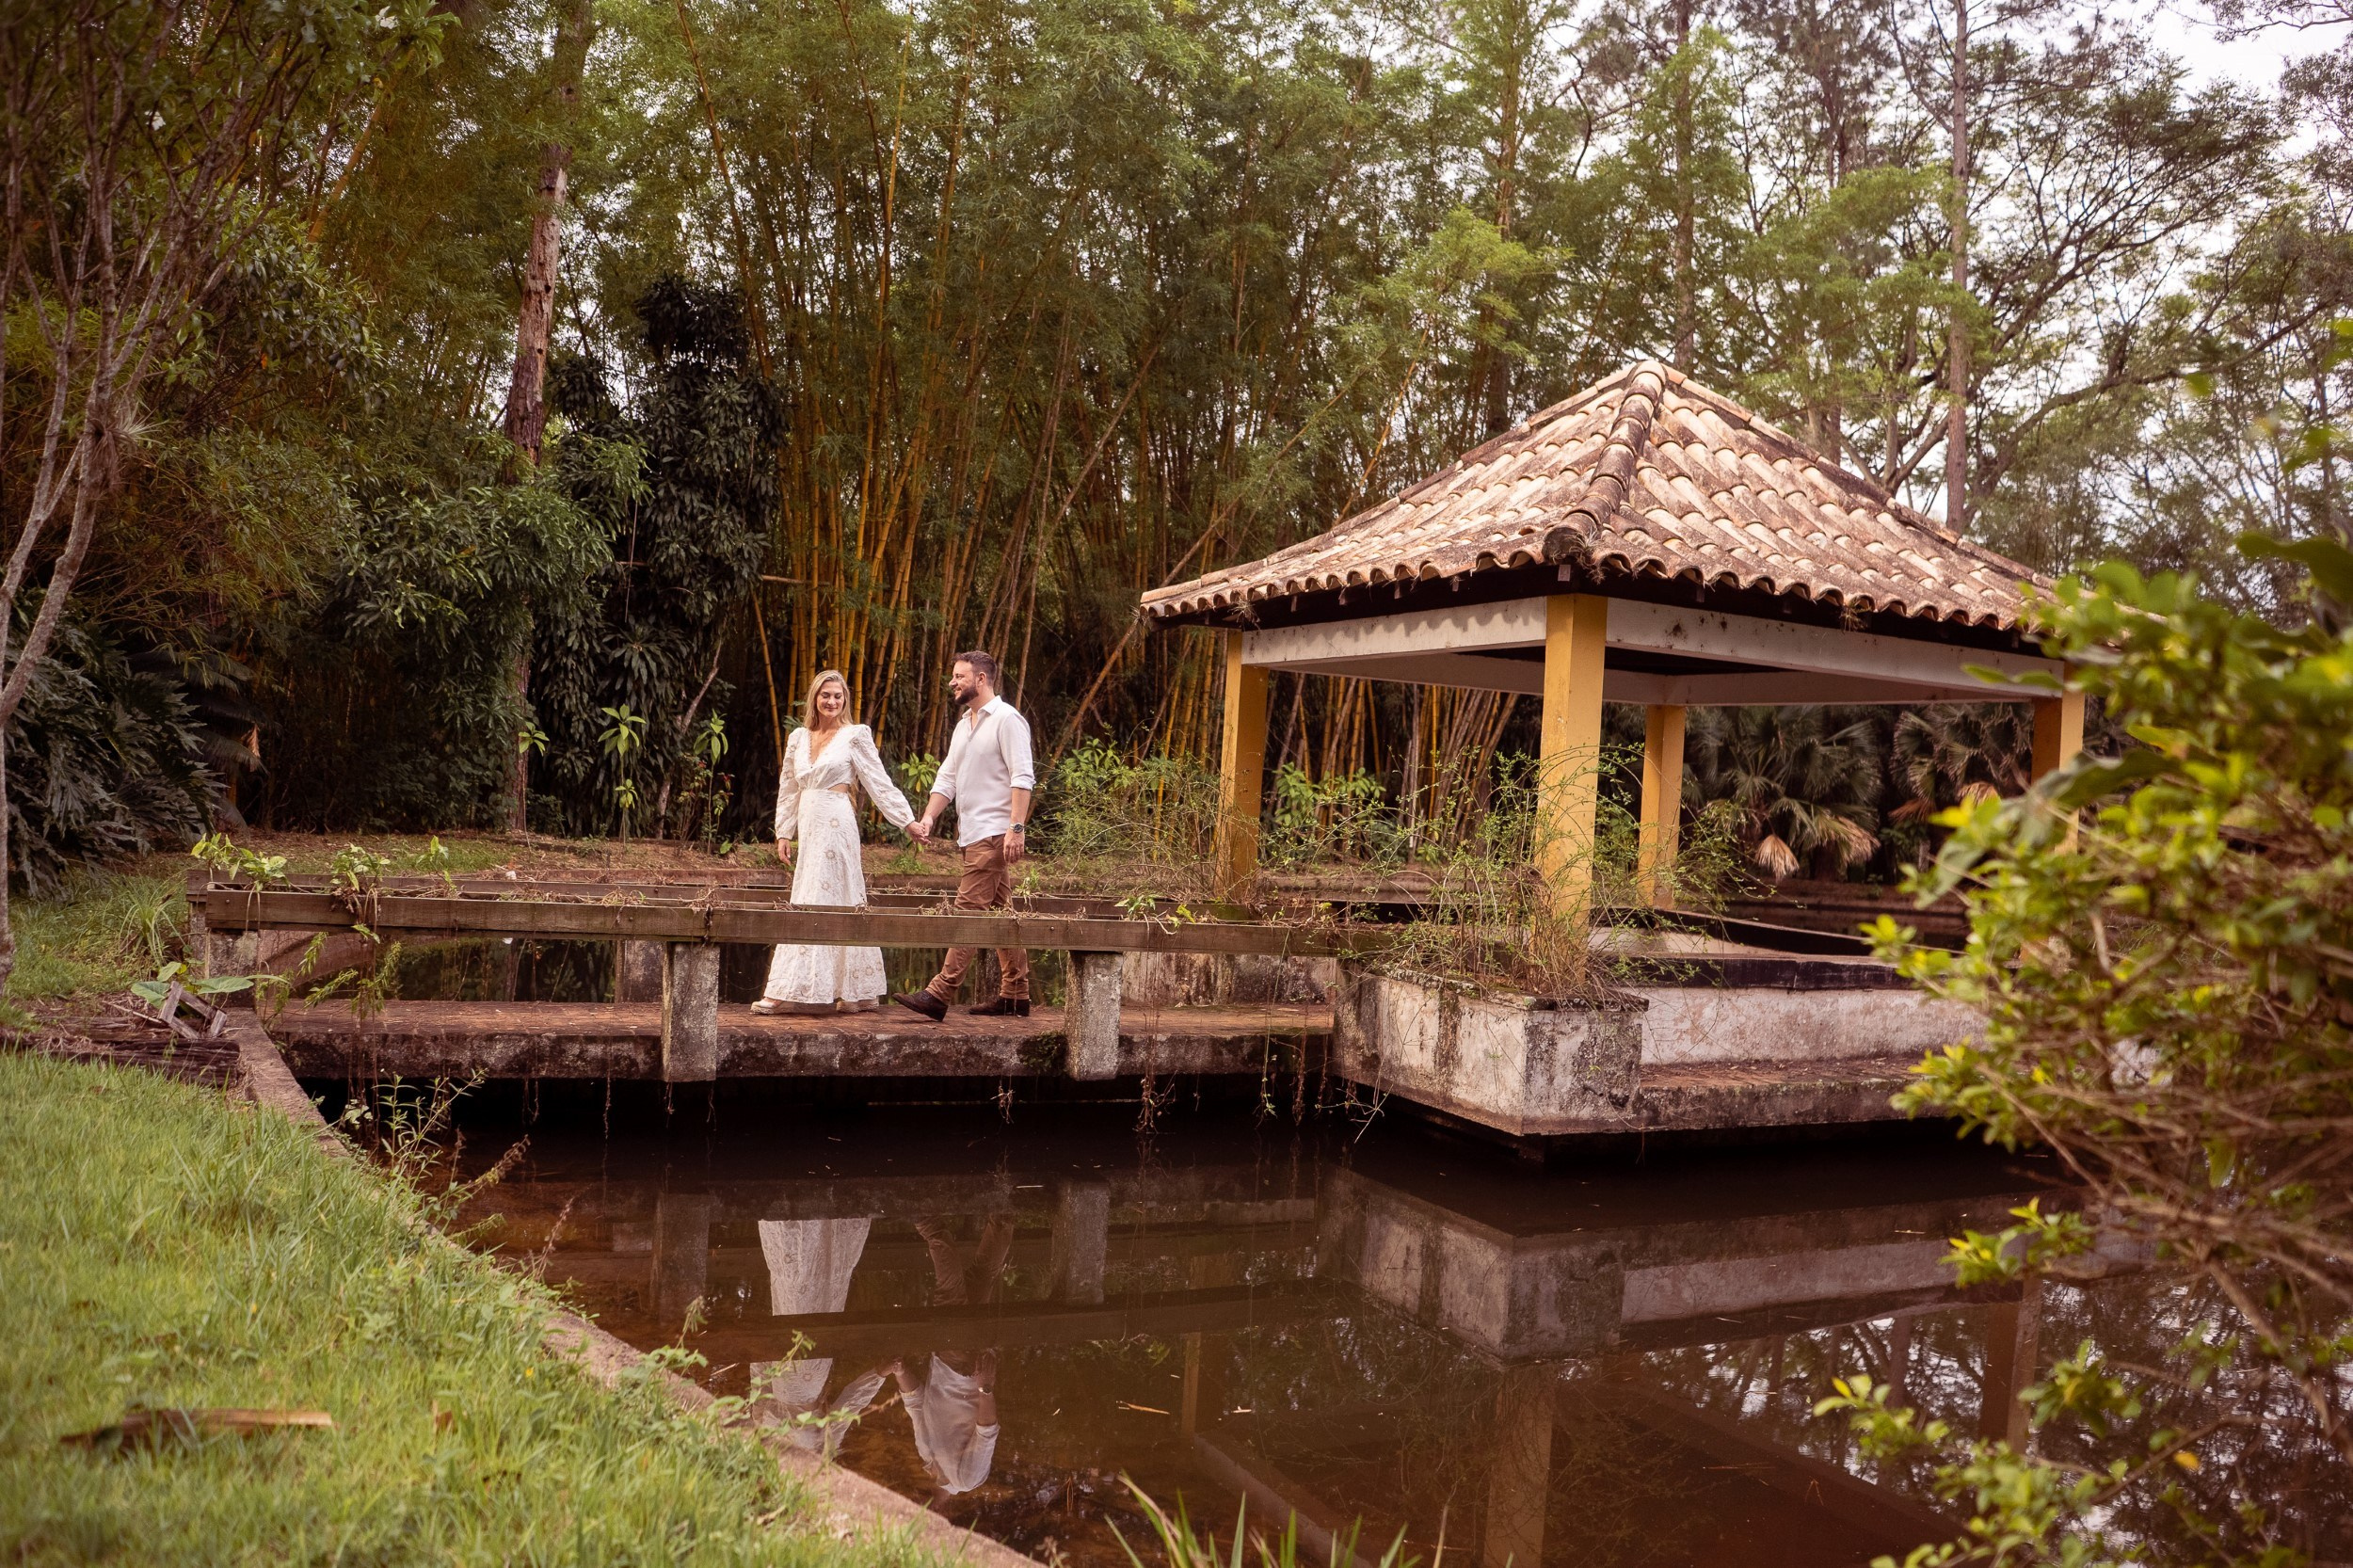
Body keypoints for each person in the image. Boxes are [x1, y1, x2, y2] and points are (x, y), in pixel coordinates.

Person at [757, 669, 923, 1015]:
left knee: (837, 895)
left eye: (837, 696)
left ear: (845, 700)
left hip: (837, 823)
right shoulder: (798, 738)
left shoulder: (855, 736)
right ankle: (796, 986)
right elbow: (789, 787)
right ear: (814, 698)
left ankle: (843, 989)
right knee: (805, 895)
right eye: (825, 695)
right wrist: (783, 831)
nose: (831, 701)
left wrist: (906, 820)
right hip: (809, 822)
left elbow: (879, 781)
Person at [893, 650, 1033, 1020]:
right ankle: (1016, 994)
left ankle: (940, 993)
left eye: (959, 676)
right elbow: (947, 778)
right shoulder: (963, 725)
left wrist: (1016, 827)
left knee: (968, 911)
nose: (952, 682)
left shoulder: (1007, 720)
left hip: (994, 833)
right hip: (972, 833)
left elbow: (1023, 777)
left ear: (981, 679)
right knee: (1003, 913)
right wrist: (928, 817)